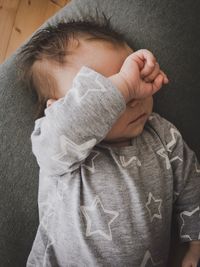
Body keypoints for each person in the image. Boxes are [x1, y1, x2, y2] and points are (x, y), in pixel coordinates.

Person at [19, 19, 200, 267]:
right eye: (108, 88)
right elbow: (69, 124)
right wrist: (124, 84)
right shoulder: (62, 148)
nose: (132, 98)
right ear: (57, 108)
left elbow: (192, 185)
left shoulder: (162, 134)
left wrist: (194, 244)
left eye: (135, 78)